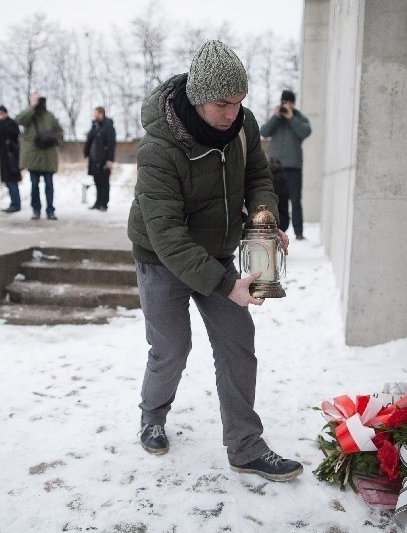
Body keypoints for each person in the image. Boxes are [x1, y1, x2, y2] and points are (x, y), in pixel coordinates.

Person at [127, 40, 303, 482]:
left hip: (217, 251)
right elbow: (167, 236)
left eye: (240, 102)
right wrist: (226, 285)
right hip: (161, 259)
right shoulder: (158, 150)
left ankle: (245, 446)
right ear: (198, 97)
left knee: (237, 344)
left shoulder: (242, 127)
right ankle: (152, 415)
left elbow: (259, 176)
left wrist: (262, 219)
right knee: (172, 349)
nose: (233, 113)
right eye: (224, 104)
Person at [259, 89, 312, 240]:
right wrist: (275, 117)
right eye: (284, 102)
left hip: (294, 166)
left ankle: (299, 232)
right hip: (275, 167)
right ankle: (275, 229)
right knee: (276, 199)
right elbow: (263, 131)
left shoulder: (299, 117)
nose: (286, 105)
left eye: (288, 102)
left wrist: (291, 118)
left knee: (295, 200)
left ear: (293, 104)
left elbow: (305, 132)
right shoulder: (277, 118)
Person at [15, 93, 64, 220]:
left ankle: (50, 210)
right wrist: (31, 107)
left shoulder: (50, 116)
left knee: (49, 185)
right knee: (34, 184)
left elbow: (59, 131)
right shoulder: (29, 116)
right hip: (33, 156)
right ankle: (36, 210)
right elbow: (19, 120)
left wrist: (55, 140)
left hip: (48, 156)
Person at [83, 106, 116, 211]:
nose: (94, 115)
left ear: (101, 114)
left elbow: (111, 144)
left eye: (96, 113)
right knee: (97, 181)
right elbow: (90, 140)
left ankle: (104, 204)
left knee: (104, 182)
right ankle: (97, 203)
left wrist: (110, 160)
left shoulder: (108, 126)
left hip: (104, 159)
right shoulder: (94, 126)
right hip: (94, 159)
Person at [0, 105, 22, 213]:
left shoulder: (10, 123)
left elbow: (14, 134)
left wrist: (2, 126)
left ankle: (16, 204)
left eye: (1, 114)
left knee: (12, 181)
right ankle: (13, 203)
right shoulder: (1, 125)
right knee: (8, 182)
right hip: (4, 158)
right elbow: (1, 139)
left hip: (11, 158)